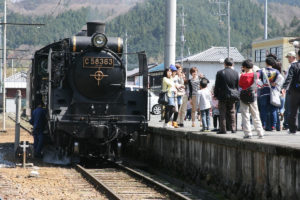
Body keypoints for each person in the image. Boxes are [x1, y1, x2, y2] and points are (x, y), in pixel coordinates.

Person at [239, 59, 264, 139]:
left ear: (244, 67)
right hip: (253, 96)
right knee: (256, 114)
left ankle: (248, 133)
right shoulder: (256, 75)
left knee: (245, 115)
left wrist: (242, 73)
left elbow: (240, 85)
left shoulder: (243, 76)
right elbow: (259, 84)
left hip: (243, 97)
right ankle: (260, 133)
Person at [214, 58, 239, 134]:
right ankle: (233, 128)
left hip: (222, 95)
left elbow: (217, 85)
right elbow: (237, 85)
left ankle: (223, 129)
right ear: (233, 64)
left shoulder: (220, 73)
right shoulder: (236, 73)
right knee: (232, 112)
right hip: (232, 95)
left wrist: (216, 94)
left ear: (224, 64)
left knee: (222, 112)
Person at [257, 57, 281, 131]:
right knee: (273, 109)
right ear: (273, 63)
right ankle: (273, 125)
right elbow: (281, 79)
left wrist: (261, 84)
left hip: (264, 92)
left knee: (263, 109)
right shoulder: (276, 71)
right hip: (273, 93)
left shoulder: (261, 71)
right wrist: (275, 83)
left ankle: (263, 125)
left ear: (266, 63)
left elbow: (256, 78)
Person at [282, 50, 300, 134]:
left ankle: (293, 129)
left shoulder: (294, 65)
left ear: (298, 56)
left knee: (293, 110)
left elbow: (289, 77)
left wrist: (284, 87)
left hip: (295, 91)